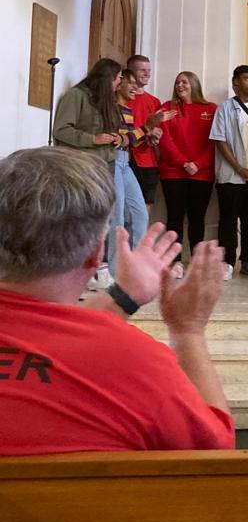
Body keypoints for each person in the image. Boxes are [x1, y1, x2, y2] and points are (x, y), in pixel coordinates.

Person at [0, 146, 234, 455]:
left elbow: (39, 331)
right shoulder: (135, 363)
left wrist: (123, 297)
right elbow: (213, 455)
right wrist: (188, 332)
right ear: (97, 252)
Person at [53, 58, 127, 287]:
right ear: (107, 78)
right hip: (84, 165)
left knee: (108, 217)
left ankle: (101, 266)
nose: (120, 82)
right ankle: (82, 269)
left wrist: (118, 138)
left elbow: (119, 130)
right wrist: (92, 139)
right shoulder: (77, 96)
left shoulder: (108, 101)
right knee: (85, 216)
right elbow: (61, 130)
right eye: (118, 78)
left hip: (108, 163)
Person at [209, 65, 248, 281]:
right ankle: (226, 262)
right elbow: (220, 140)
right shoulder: (224, 109)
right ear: (236, 82)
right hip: (231, 175)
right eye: (247, 79)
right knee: (228, 219)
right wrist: (239, 168)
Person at [158, 72, 216, 259]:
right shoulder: (167, 108)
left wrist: (198, 164)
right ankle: (173, 261)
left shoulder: (211, 109)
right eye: (177, 82)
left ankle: (196, 260)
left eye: (184, 82)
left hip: (202, 174)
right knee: (174, 219)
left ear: (194, 84)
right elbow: (164, 139)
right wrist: (183, 163)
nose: (180, 86)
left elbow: (216, 142)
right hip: (173, 173)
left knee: (197, 219)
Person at [113, 69, 154, 258]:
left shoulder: (127, 110)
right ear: (118, 83)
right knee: (118, 216)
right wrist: (146, 127)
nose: (135, 87)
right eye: (130, 82)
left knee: (140, 213)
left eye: (136, 84)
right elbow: (121, 140)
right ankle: (113, 265)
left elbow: (131, 141)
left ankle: (138, 259)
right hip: (113, 160)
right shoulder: (111, 108)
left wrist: (148, 131)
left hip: (125, 161)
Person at [126, 54, 163, 208]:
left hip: (148, 160)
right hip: (125, 157)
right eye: (142, 70)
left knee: (144, 206)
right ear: (130, 72)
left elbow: (158, 130)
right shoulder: (122, 97)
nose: (147, 74)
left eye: (149, 70)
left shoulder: (154, 102)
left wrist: (156, 136)